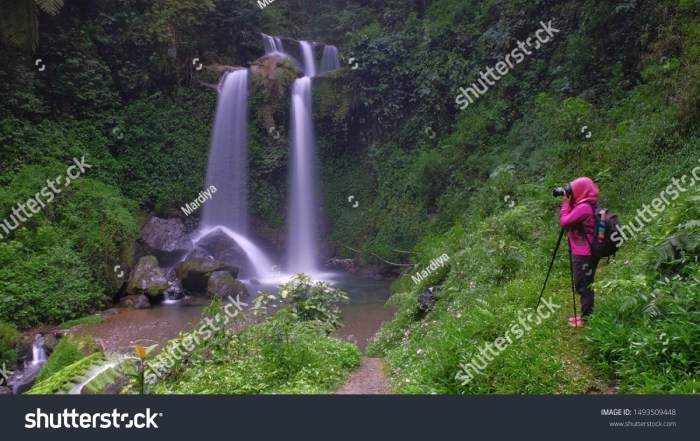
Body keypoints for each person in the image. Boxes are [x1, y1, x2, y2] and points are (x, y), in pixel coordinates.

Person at [559, 177, 600, 328]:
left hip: (584, 253)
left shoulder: (583, 208)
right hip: (585, 251)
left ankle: (586, 319)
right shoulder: (587, 204)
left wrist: (565, 205)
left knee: (584, 285)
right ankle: (584, 315)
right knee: (584, 283)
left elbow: (565, 222)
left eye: (574, 191)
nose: (572, 194)